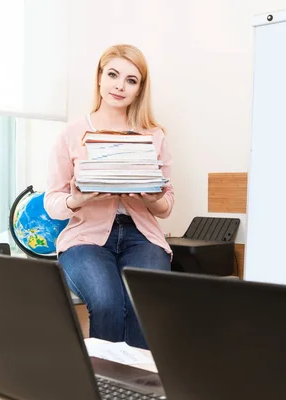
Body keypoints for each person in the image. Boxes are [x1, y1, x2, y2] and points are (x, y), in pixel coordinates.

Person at [44, 44, 174, 349]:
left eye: (131, 80)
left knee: (144, 304)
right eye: (113, 74)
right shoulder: (71, 133)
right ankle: (104, 388)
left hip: (141, 236)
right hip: (85, 238)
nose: (120, 85)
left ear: (140, 89)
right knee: (107, 303)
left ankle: (141, 389)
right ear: (99, 78)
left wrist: (148, 197)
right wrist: (79, 200)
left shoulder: (154, 135)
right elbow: (52, 204)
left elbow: (167, 206)